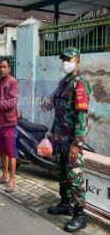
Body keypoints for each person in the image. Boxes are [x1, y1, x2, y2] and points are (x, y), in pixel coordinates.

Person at [48, 47, 91, 233]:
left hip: (72, 141)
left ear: (77, 61)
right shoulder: (63, 82)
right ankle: (65, 204)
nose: (66, 62)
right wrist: (52, 134)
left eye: (69, 59)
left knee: (75, 177)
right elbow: (59, 112)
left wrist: (76, 143)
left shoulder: (79, 84)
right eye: (64, 59)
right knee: (63, 174)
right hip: (60, 138)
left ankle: (80, 215)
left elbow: (82, 117)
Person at [0, 58, 19, 193]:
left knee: (11, 152)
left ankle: (12, 180)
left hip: (9, 122)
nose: (2, 69)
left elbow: (12, 103)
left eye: (4, 67)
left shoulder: (12, 82)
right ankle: (4, 175)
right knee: (1, 151)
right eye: (0, 67)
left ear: (9, 68)